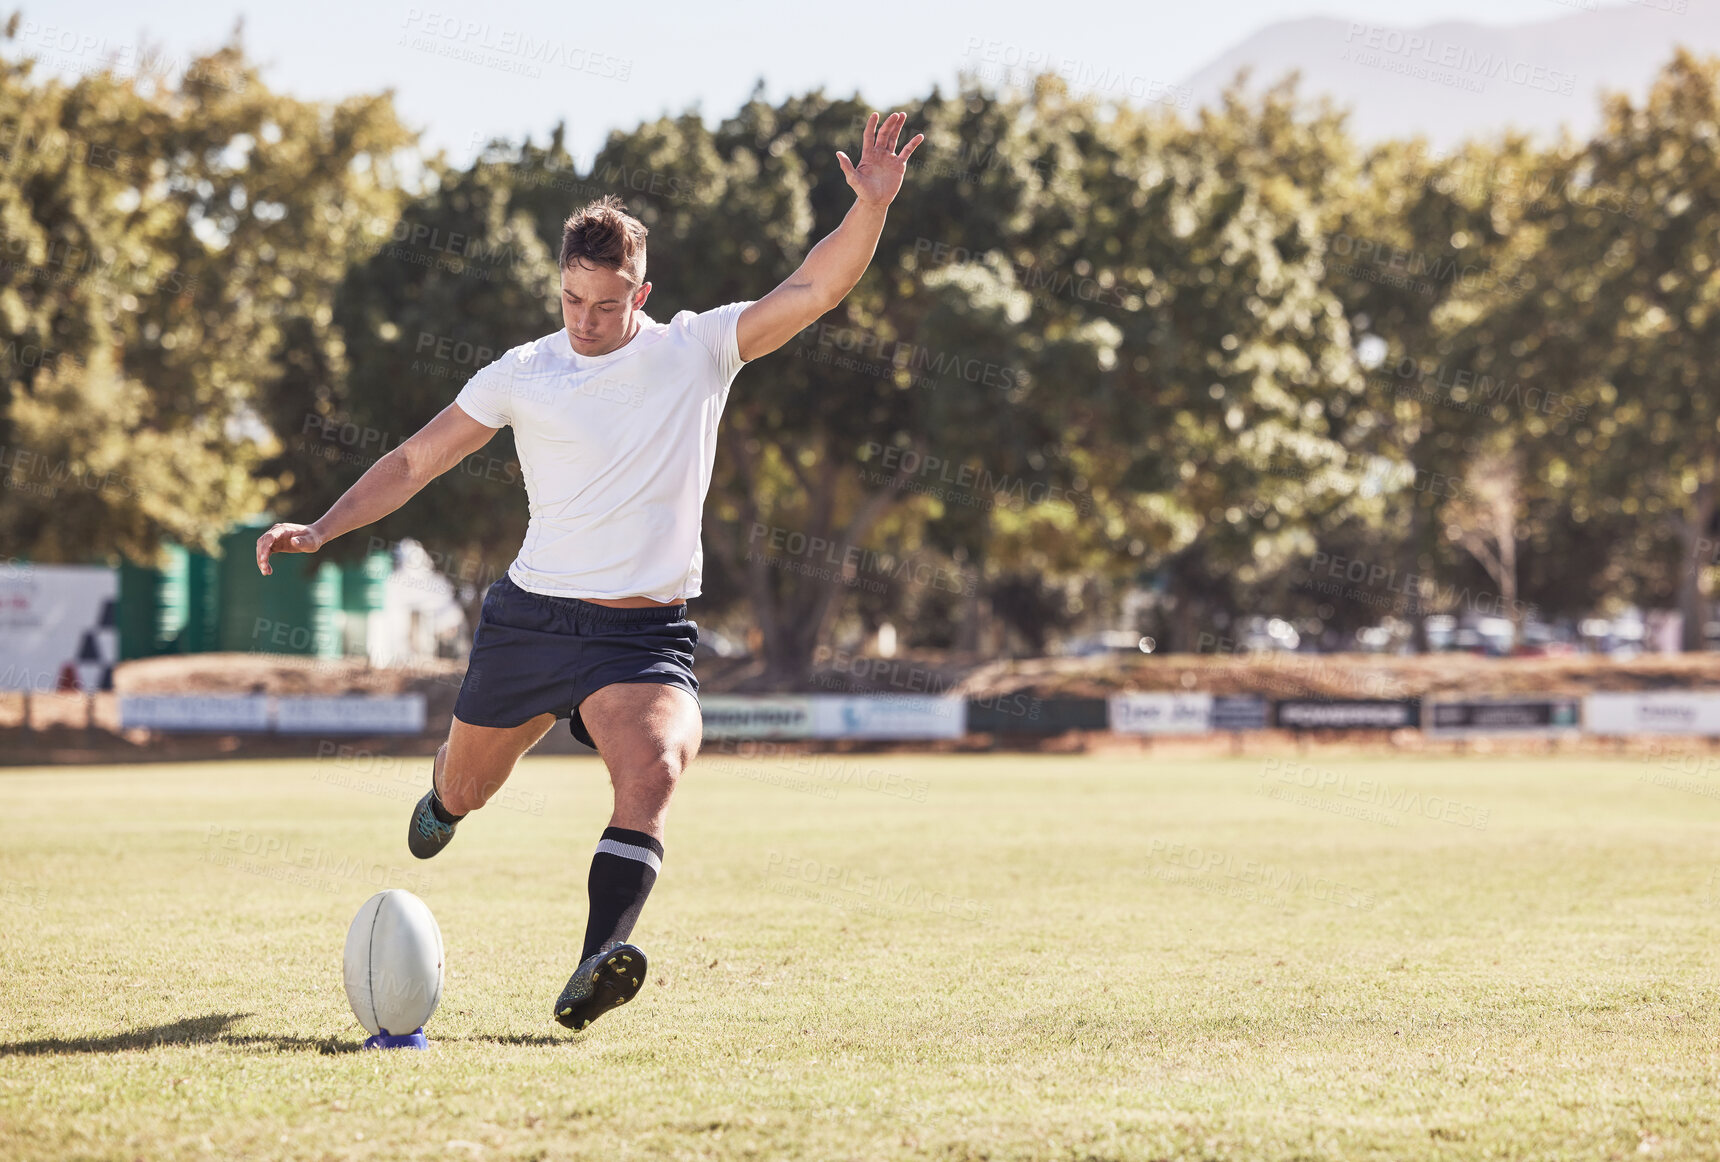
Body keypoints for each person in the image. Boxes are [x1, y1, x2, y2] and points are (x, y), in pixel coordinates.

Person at [255, 112, 923, 1032]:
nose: (586, 320)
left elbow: (813, 288)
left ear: (641, 289)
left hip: (643, 634)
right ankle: (445, 794)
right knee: (463, 791)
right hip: (531, 623)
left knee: (654, 768)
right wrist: (323, 526)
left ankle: (597, 959)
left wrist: (871, 211)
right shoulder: (523, 371)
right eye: (572, 300)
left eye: (606, 303)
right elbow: (415, 460)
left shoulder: (696, 349)